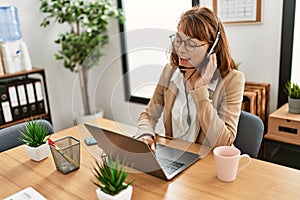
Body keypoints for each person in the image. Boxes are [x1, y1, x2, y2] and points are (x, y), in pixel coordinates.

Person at [135, 6, 245, 154]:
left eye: (191, 44)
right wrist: (146, 134)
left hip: (206, 166)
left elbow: (224, 142)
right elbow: (148, 114)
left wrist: (200, 91)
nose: (180, 50)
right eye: (178, 40)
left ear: (212, 47)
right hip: (174, 158)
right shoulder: (171, 71)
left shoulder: (232, 80)